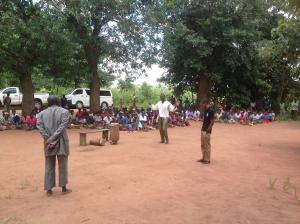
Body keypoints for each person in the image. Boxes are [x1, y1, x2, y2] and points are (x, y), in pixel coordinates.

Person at [36, 96, 71, 196]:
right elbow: (62, 127)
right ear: (58, 101)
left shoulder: (41, 114)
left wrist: (49, 139)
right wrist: (53, 139)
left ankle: (49, 190)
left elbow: (39, 127)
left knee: (49, 166)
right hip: (61, 142)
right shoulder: (64, 112)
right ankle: (64, 189)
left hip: (48, 143)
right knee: (63, 165)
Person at [199, 100, 215, 164]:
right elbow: (205, 120)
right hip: (203, 129)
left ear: (206, 103)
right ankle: (203, 158)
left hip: (207, 130)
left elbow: (212, 121)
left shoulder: (211, 111)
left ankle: (207, 159)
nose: (202, 105)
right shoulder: (205, 110)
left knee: (207, 144)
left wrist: (208, 129)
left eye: (203, 104)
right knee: (202, 144)